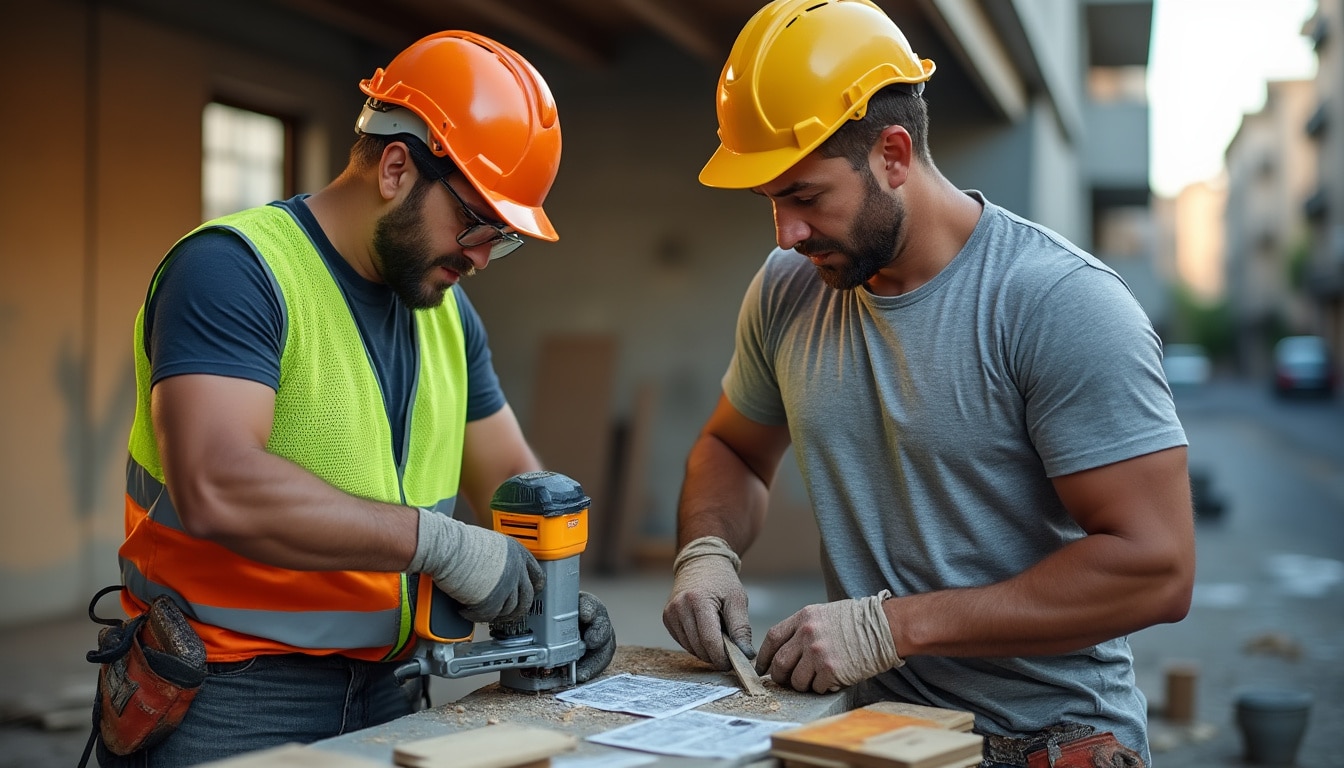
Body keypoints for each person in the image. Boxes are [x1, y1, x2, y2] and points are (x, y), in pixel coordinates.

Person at [661, 1, 1194, 765]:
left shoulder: (1058, 304)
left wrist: (896, 627)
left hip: (1049, 742)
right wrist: (706, 550)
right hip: (875, 737)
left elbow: (1158, 569)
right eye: (770, 201)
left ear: (894, 155)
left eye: (805, 196)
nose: (784, 233)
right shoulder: (788, 288)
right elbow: (733, 450)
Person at [96, 30, 613, 767]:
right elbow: (218, 484)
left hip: (395, 685)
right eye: (475, 223)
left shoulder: (447, 314)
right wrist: (441, 543)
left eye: (503, 238)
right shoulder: (233, 271)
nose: (480, 257)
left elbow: (517, 487)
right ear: (397, 167)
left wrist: (550, 594)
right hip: (230, 694)